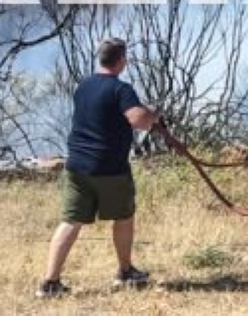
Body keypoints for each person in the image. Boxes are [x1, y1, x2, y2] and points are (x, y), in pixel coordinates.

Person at [36, 37, 162, 298]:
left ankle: (50, 282)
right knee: (124, 217)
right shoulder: (120, 89)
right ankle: (125, 272)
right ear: (122, 61)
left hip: (77, 166)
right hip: (109, 169)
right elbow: (138, 121)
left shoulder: (83, 86)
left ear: (101, 58)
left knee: (71, 221)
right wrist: (152, 113)